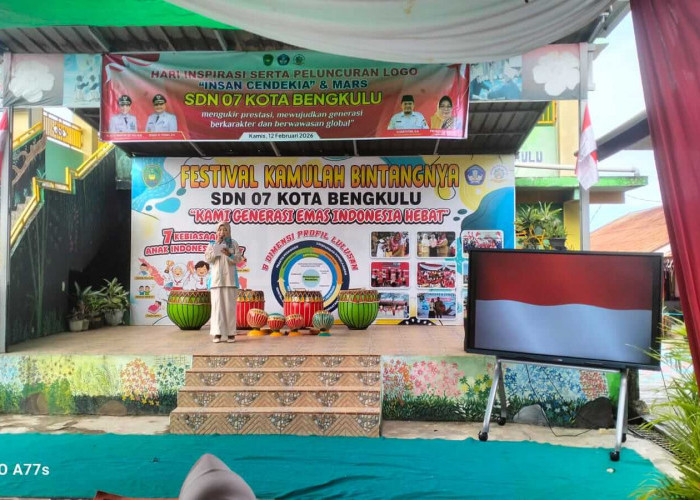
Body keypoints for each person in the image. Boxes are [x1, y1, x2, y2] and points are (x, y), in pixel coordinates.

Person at [204, 221, 243, 343]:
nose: (222, 232)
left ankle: (231, 333)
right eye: (220, 230)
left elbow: (238, 259)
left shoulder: (234, 243)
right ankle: (217, 333)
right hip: (216, 281)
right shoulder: (212, 244)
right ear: (217, 232)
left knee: (229, 308)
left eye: (225, 229)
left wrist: (229, 254)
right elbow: (208, 259)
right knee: (217, 308)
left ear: (229, 231)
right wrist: (217, 245)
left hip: (230, 280)